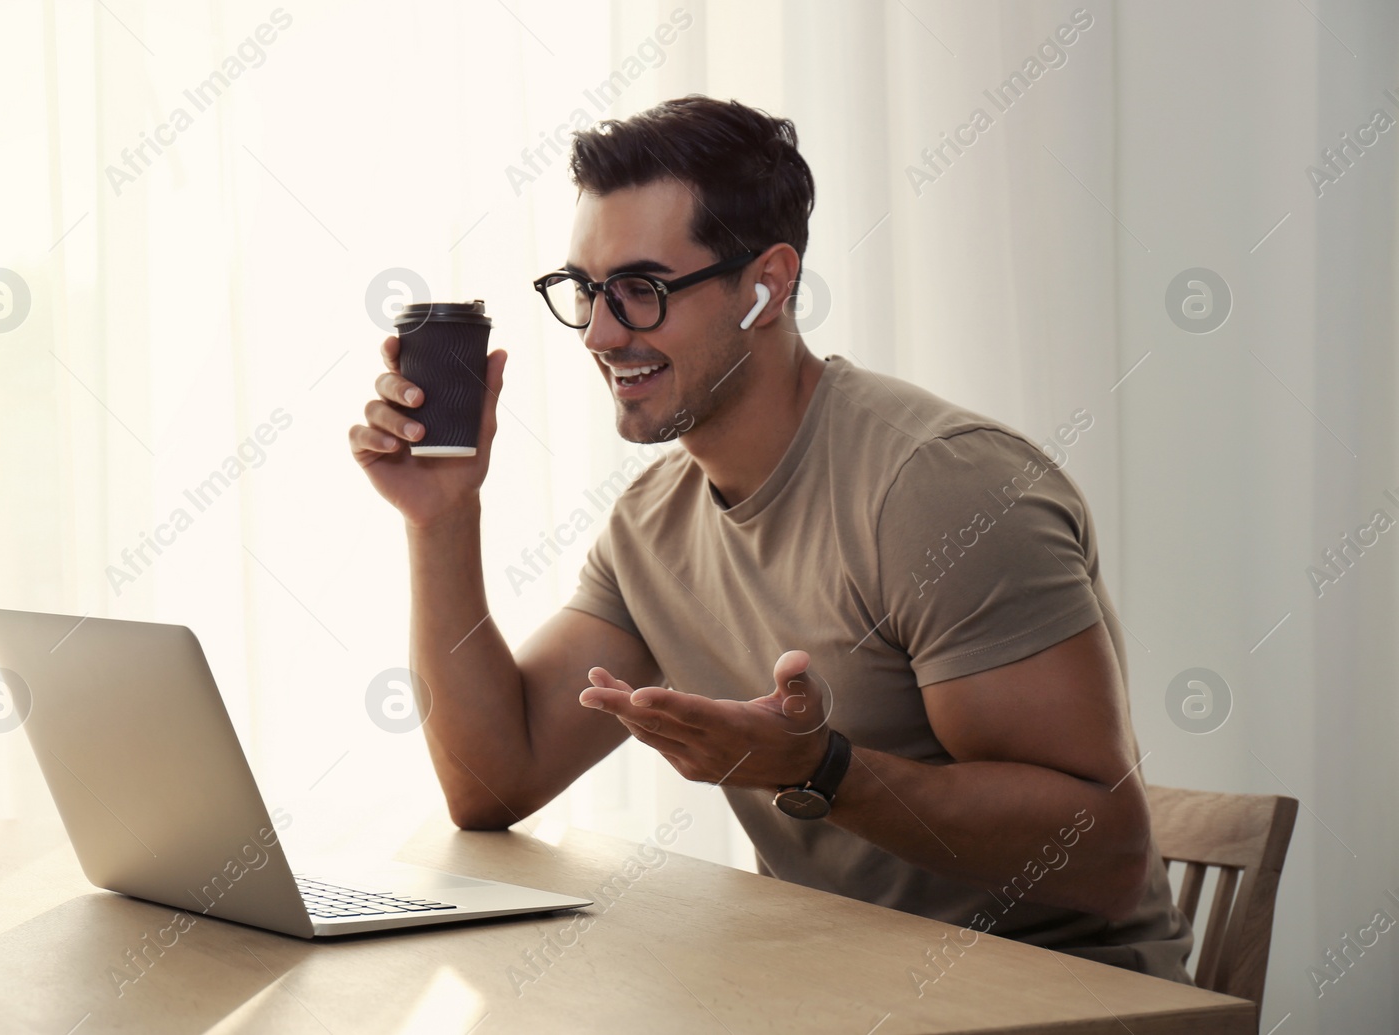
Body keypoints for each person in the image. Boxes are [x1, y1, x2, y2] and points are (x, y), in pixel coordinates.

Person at [350, 95, 1194, 984]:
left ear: (770, 284)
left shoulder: (943, 488)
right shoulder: (652, 523)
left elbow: (1106, 854)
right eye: (587, 292)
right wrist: (441, 517)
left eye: (641, 290)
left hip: (1057, 997)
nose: (600, 333)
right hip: (832, 986)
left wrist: (822, 768)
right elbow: (492, 783)